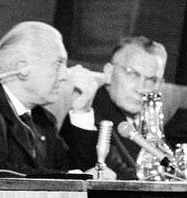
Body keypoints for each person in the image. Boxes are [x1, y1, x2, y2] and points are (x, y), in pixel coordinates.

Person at [0, 21, 92, 176]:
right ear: (22, 68)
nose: (64, 75)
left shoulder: (43, 119)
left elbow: (76, 173)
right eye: (58, 63)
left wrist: (81, 110)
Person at [59, 36, 167, 178]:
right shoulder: (87, 118)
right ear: (109, 73)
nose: (142, 88)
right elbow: (114, 175)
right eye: (132, 74)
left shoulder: (150, 123)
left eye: (152, 80)